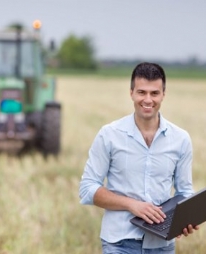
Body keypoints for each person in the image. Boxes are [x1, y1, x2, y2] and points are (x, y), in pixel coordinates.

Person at [79, 62, 199, 253]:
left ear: (163, 95)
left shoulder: (181, 139)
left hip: (162, 245)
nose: (148, 99)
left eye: (154, 93)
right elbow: (87, 189)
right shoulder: (109, 134)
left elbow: (184, 192)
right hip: (119, 243)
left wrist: (186, 219)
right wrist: (132, 205)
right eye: (142, 92)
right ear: (131, 93)